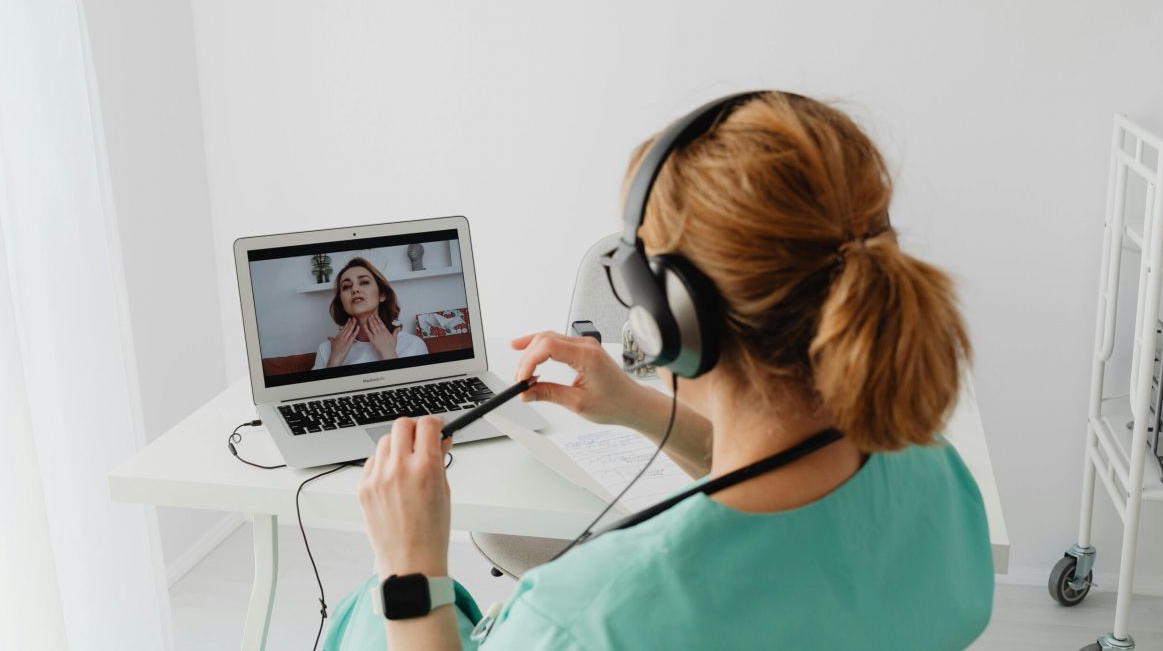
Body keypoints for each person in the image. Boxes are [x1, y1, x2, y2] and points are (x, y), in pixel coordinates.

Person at [323, 92, 994, 649]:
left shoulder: (588, 619)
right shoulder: (938, 482)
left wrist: (409, 567)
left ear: (676, 318)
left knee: (371, 612)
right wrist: (640, 409)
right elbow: (779, 492)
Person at [312, 257, 428, 369]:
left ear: (382, 294)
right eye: (346, 287)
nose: (355, 289)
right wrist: (334, 360)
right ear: (342, 303)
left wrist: (389, 354)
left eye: (364, 282)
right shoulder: (327, 349)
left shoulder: (412, 345)